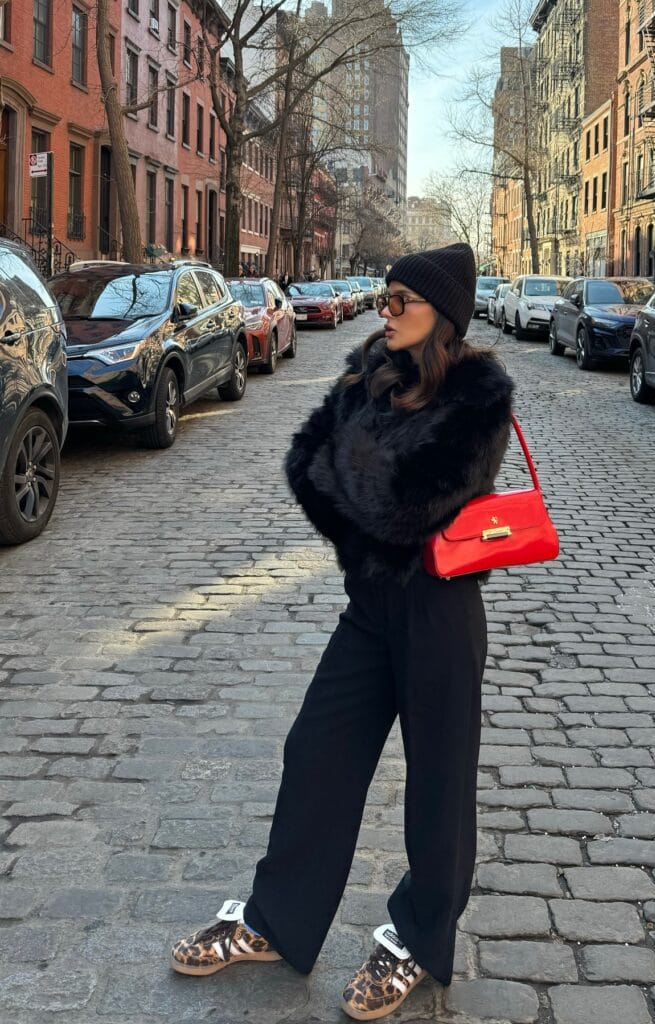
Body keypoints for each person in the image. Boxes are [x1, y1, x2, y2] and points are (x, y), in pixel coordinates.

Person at [170, 243, 514, 1020]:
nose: (385, 312)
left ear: (443, 314)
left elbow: (406, 505)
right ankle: (275, 920)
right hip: (370, 606)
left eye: (400, 301)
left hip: (440, 612)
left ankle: (420, 941)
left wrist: (355, 471)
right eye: (383, 298)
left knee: (440, 786)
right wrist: (364, 480)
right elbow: (305, 462)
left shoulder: (480, 394)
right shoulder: (369, 371)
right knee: (316, 751)